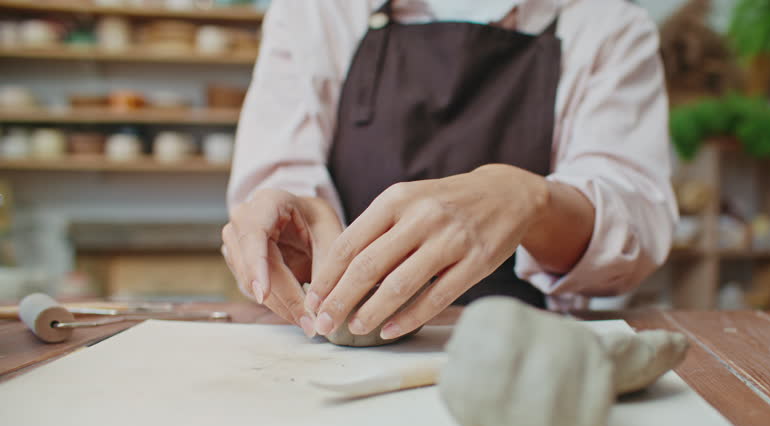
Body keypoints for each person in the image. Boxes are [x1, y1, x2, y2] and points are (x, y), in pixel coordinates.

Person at [221, 0, 677, 341]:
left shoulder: (609, 25)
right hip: (335, 353)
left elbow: (633, 226)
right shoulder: (315, 11)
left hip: (527, 346)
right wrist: (291, 234)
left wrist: (531, 201)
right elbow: (277, 184)